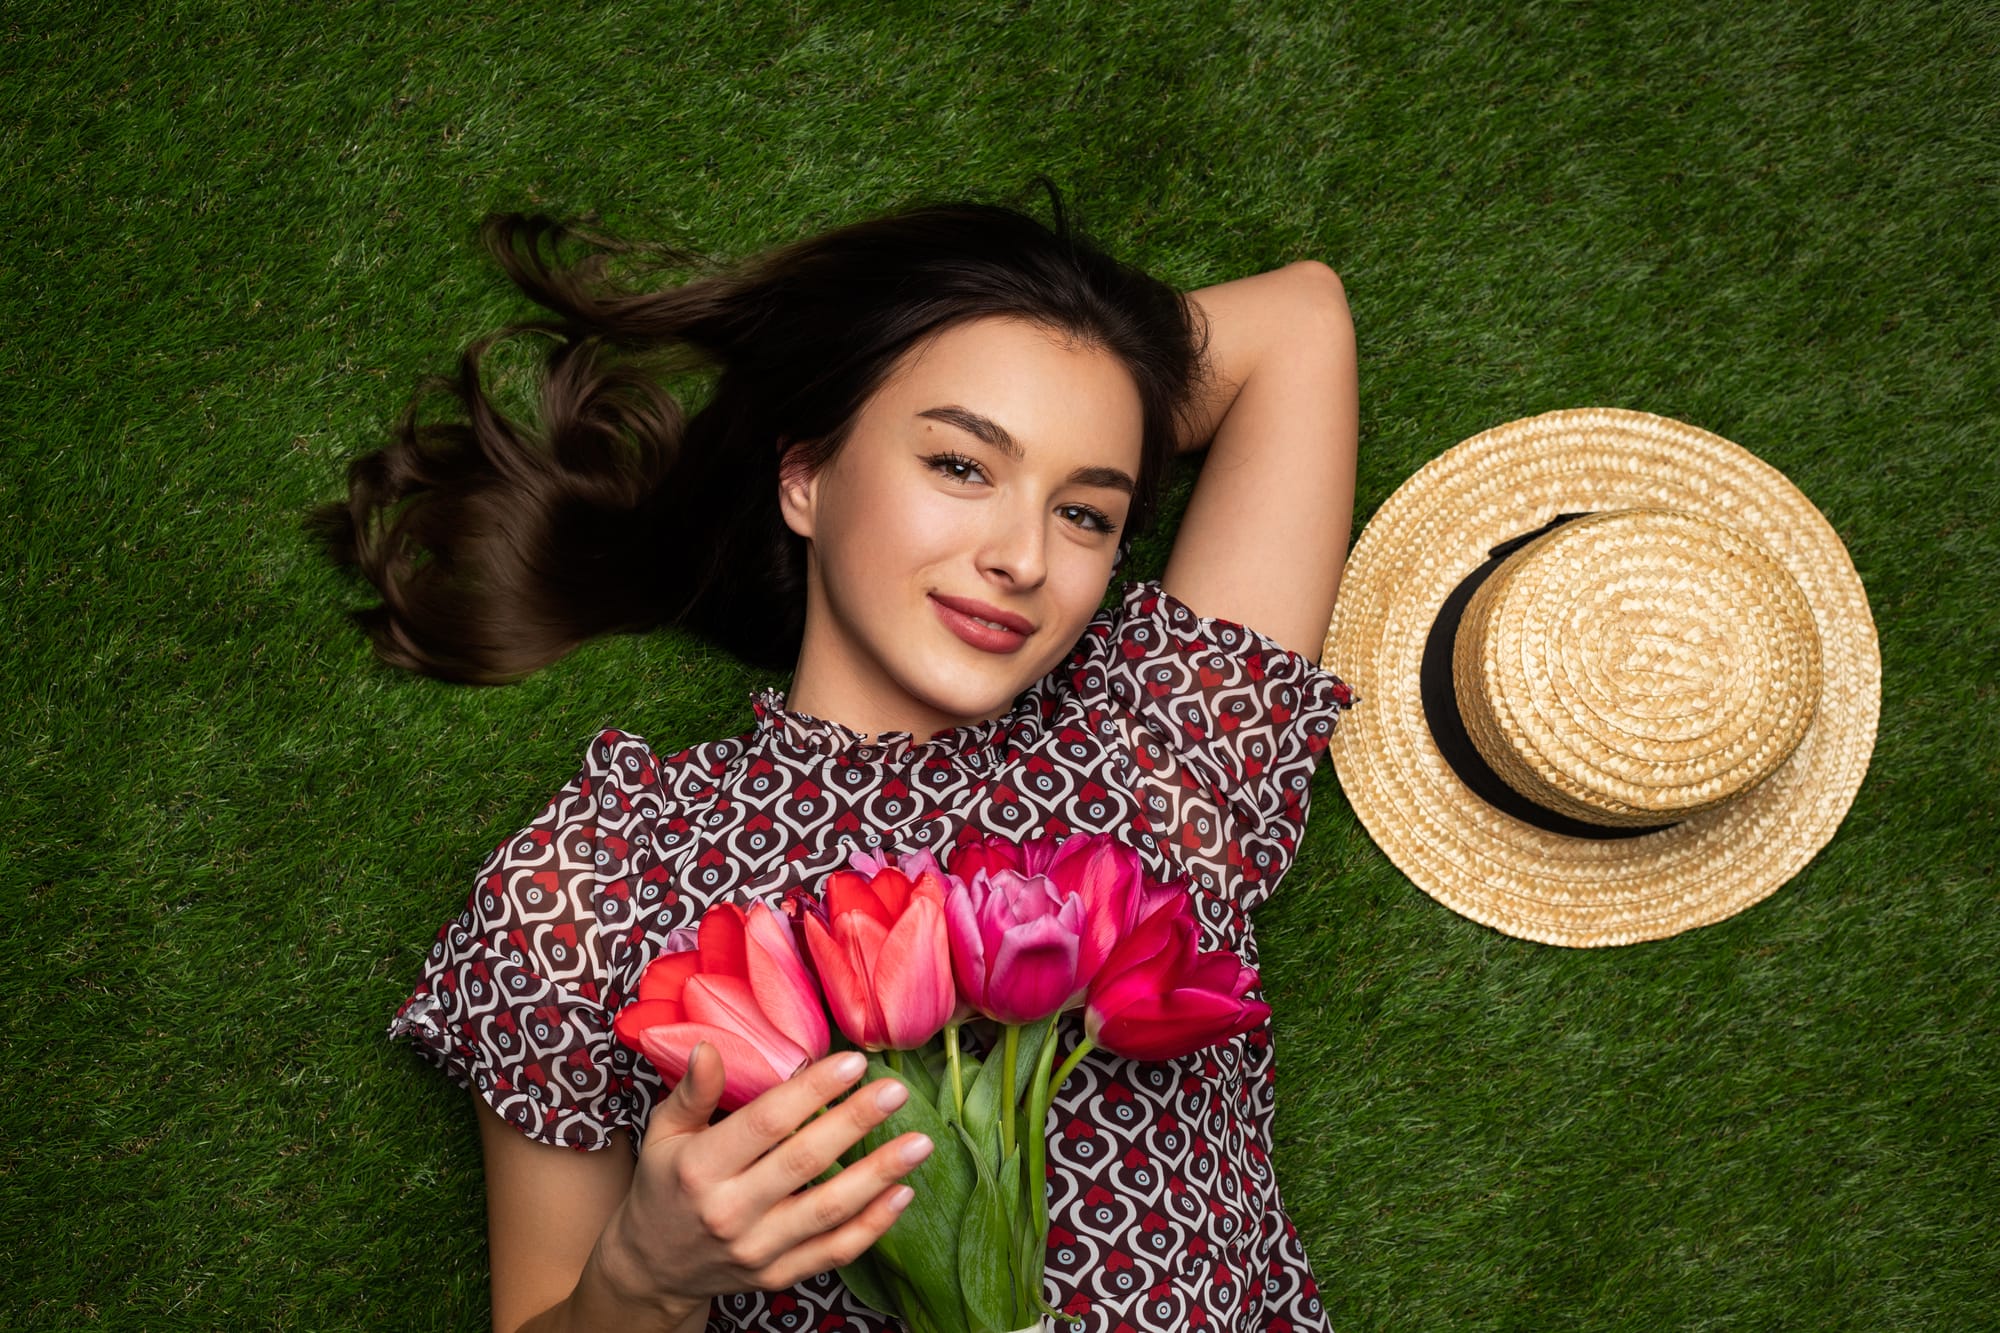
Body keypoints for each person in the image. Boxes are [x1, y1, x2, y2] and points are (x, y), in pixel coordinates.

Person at [314, 181, 1359, 1333]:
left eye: (1087, 513)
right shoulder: (604, 874)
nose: (1021, 555)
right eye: (960, 465)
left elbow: (1297, 324)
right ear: (804, 475)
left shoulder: (1152, 752)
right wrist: (643, 1277)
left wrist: (1072, 397)